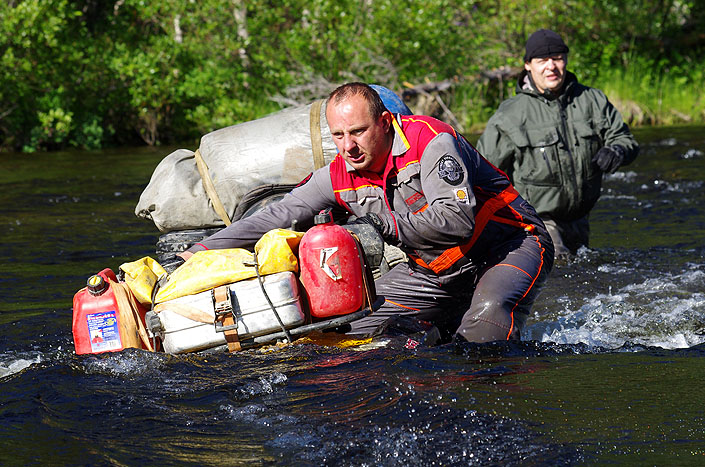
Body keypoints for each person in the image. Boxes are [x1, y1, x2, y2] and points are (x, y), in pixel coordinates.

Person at [178, 82, 554, 343]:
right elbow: (280, 214)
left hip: (509, 245)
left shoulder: (433, 142)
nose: (348, 146)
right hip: (433, 269)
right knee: (347, 332)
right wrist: (202, 251)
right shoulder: (337, 174)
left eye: (357, 132)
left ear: (386, 123)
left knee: (483, 326)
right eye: (338, 136)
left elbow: (456, 221)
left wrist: (380, 225)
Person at [476, 29, 639, 256]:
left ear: (566, 61)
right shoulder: (510, 115)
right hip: (537, 222)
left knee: (584, 279)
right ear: (528, 65)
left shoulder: (592, 100)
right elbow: (482, 172)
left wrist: (617, 150)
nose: (551, 66)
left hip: (580, 219)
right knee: (561, 273)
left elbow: (624, 138)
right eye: (542, 60)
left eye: (558, 59)